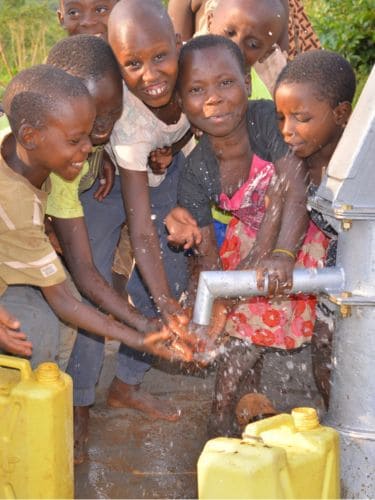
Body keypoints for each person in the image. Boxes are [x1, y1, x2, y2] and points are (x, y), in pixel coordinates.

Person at [0, 64, 192, 455]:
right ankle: (22, 441)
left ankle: (37, 416)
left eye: (90, 136)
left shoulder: (38, 161)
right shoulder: (15, 203)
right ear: (30, 136)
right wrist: (141, 338)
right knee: (37, 328)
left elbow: (85, 273)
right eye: (76, 140)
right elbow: (67, 301)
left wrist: (145, 323)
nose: (88, 149)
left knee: (46, 323)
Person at [166, 34, 332, 437]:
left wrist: (277, 253)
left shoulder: (265, 120)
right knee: (242, 326)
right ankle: (228, 411)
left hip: (302, 235)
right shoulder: (196, 173)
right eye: (196, 89)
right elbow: (206, 260)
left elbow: (293, 187)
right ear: (181, 100)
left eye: (226, 83)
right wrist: (204, 317)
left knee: (329, 343)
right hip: (250, 240)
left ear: (246, 81)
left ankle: (341, 416)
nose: (214, 98)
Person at [45, 34, 172, 464]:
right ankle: (69, 409)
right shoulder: (58, 166)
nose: (100, 131)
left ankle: (88, 400)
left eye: (110, 116)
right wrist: (141, 328)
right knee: (55, 319)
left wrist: (108, 163)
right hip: (40, 229)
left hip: (73, 206)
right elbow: (83, 277)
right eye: (89, 123)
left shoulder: (90, 145)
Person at [102, 0, 198, 421]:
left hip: (171, 169)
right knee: (154, 281)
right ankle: (122, 386)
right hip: (126, 178)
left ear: (179, 44)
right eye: (133, 64)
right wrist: (165, 303)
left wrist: (172, 149)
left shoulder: (195, 73)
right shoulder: (130, 124)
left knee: (185, 266)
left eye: (160, 56)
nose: (151, 75)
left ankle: (127, 382)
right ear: (118, 67)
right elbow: (142, 230)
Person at [274, 49, 356, 408]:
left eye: (301, 118)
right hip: (336, 269)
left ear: (341, 115)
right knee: (324, 344)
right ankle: (338, 421)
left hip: (364, 269)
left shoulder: (359, 168)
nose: (288, 130)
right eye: (282, 117)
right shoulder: (298, 166)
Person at [168, 0, 320, 94]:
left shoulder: (278, 8)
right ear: (210, 18)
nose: (234, 47)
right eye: (230, 32)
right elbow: (176, 54)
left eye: (252, 44)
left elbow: (282, 53)